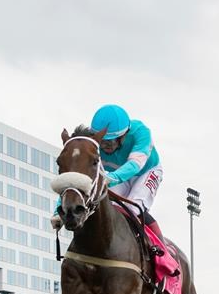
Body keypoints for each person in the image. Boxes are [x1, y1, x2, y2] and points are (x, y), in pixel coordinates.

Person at [70, 104, 166, 253]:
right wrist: (58, 210)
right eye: (103, 141)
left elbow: (135, 165)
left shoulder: (141, 132)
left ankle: (161, 251)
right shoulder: (93, 141)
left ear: (124, 135)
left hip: (145, 172)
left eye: (111, 141)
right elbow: (80, 179)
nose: (105, 146)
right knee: (102, 202)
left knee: (134, 207)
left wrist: (110, 178)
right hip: (116, 175)